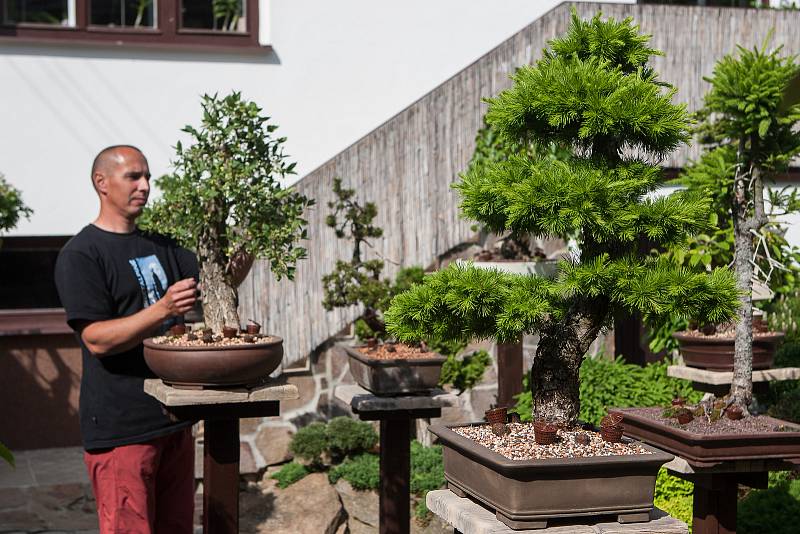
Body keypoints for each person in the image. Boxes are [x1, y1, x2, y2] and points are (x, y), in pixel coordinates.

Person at [55, 145, 199, 534]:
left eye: (148, 176)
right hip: (123, 429)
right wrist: (162, 308)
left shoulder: (162, 246)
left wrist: (240, 255)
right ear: (101, 183)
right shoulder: (82, 254)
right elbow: (97, 339)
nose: (146, 186)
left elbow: (214, 282)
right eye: (134, 176)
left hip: (174, 419)